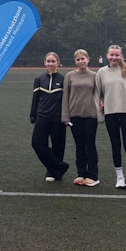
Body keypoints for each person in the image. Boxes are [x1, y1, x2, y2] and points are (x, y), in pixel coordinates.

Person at [95, 44, 126, 190]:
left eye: (117, 55)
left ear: (121, 56)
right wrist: (101, 105)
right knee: (115, 144)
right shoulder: (101, 72)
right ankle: (120, 177)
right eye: (112, 55)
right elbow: (98, 93)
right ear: (107, 55)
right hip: (110, 114)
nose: (114, 57)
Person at [61, 49, 99, 187]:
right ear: (75, 61)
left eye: (83, 58)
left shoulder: (95, 76)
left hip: (91, 116)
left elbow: (100, 94)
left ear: (88, 59)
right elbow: (65, 97)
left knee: (90, 145)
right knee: (79, 146)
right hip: (74, 116)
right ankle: (81, 173)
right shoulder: (70, 76)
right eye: (78, 59)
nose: (81, 61)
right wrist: (65, 116)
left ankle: (92, 175)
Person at [29, 52, 69, 182]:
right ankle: (59, 166)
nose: (50, 64)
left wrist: (66, 116)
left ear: (58, 63)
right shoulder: (39, 79)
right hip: (42, 117)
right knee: (37, 143)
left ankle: (52, 172)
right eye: (48, 61)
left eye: (53, 61)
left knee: (58, 145)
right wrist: (33, 114)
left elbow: (67, 100)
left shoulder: (64, 79)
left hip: (58, 118)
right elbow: (36, 99)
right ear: (44, 63)